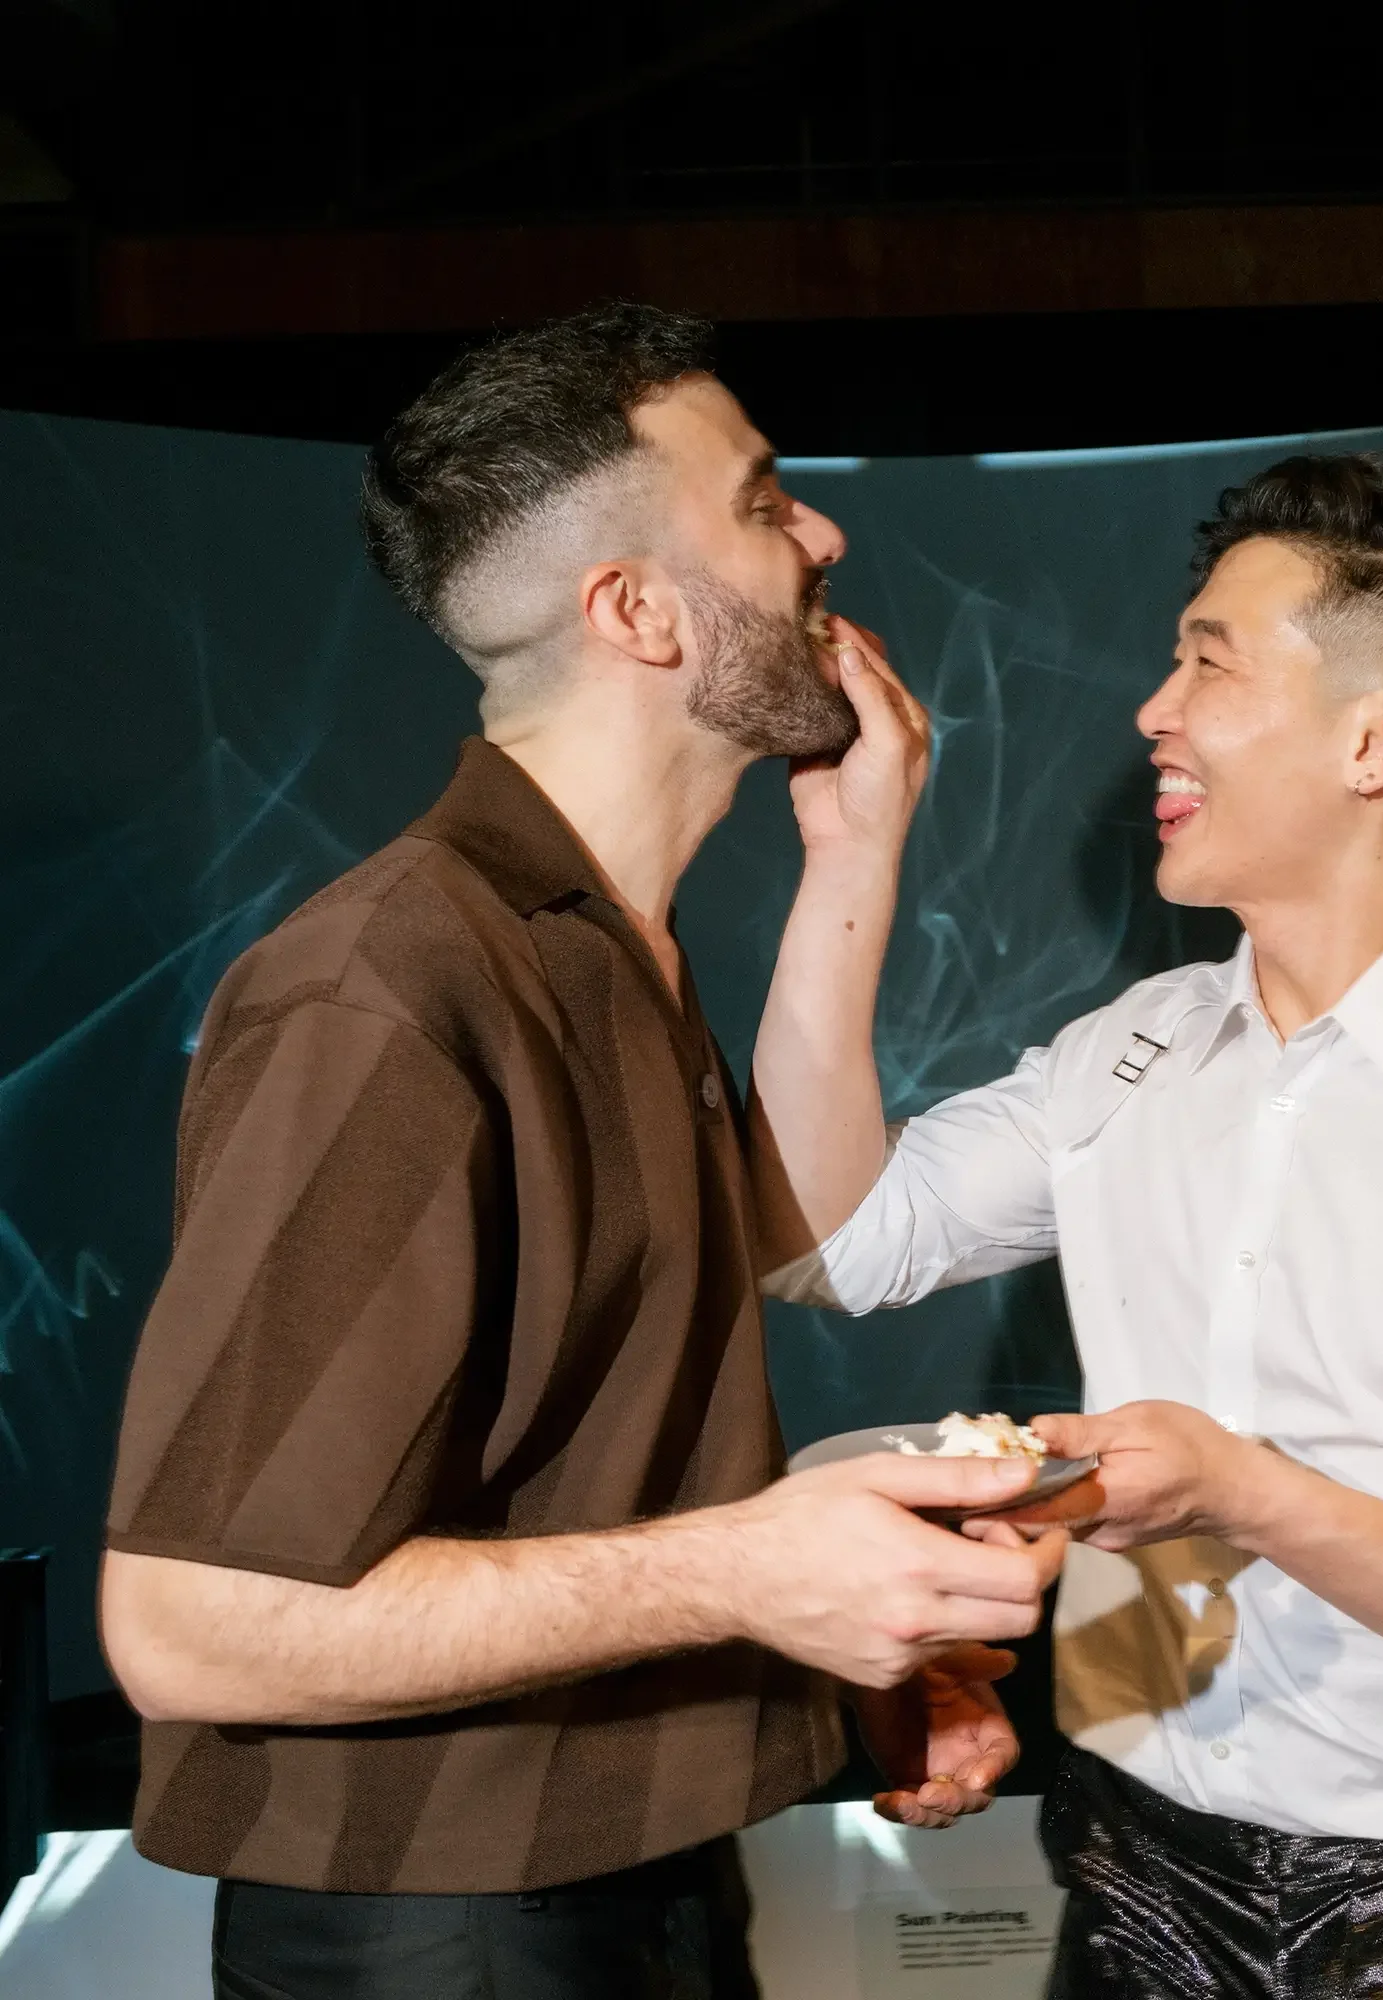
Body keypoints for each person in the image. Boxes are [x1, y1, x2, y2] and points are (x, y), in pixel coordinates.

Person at [97, 303, 1065, 2000]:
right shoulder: (386, 983)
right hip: (444, 1933)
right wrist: (760, 1566)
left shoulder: (600, 941)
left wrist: (832, 1651)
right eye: (765, 503)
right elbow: (184, 1625)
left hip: (625, 1883)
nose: (824, 534)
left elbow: (614, 1443)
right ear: (634, 609)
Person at [750, 452, 1383, 1999]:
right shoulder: (1131, 1049)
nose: (1153, 707)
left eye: (1208, 659)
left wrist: (1250, 1494)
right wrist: (850, 852)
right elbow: (836, 1240)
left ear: (1380, 737)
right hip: (1136, 1854)